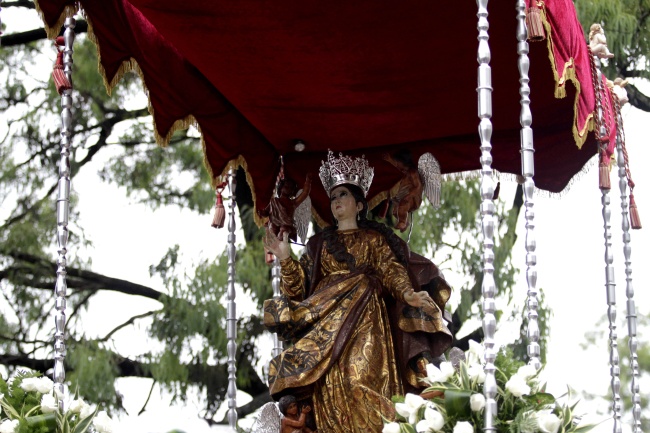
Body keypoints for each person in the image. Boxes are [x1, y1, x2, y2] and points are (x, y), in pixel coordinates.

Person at [263, 151, 452, 432]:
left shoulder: (373, 239)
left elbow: (391, 269)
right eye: (333, 197)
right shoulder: (318, 245)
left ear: (359, 204)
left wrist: (407, 294)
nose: (336, 201)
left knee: (362, 378)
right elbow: (297, 291)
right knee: (331, 386)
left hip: (366, 317)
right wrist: (285, 258)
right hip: (324, 324)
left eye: (343, 195)